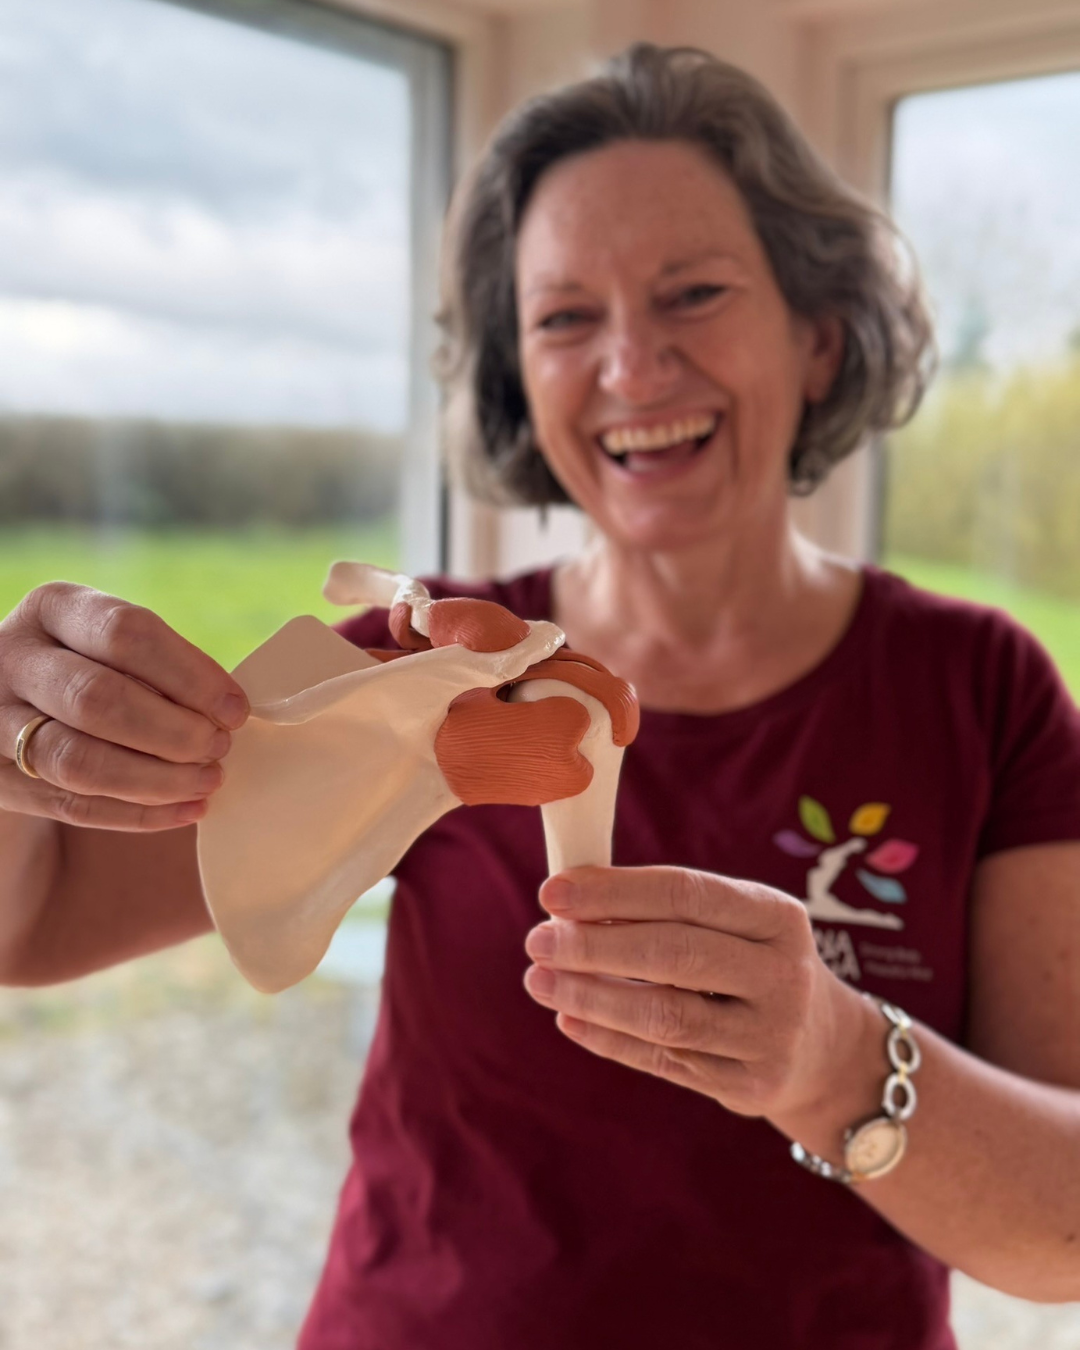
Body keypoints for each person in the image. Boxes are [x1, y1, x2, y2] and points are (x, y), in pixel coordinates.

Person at [1, 42, 1078, 1350]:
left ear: (816, 337)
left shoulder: (980, 688)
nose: (632, 366)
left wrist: (835, 1059)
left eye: (692, 293)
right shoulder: (417, 671)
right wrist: (18, 751)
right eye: (566, 317)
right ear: (519, 373)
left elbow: (1061, 1226)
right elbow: (37, 912)